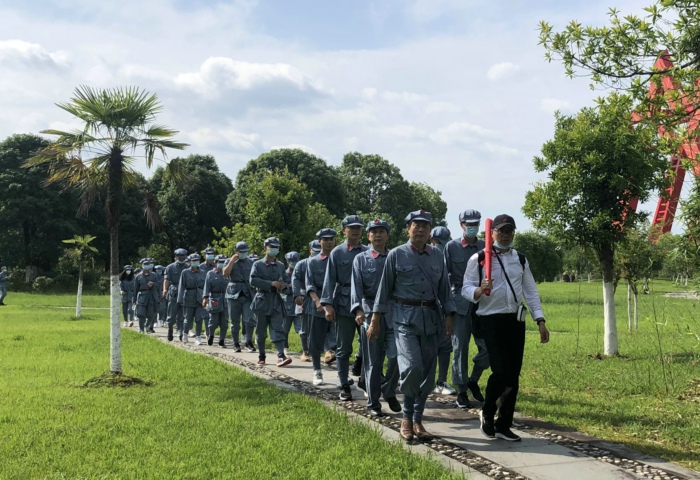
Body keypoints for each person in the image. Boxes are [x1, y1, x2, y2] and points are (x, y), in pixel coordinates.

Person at [462, 214, 550, 442]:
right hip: (489, 320)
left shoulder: (520, 259)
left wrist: (540, 320)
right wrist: (479, 290)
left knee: (513, 375)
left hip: (515, 320)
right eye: (501, 231)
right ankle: (488, 412)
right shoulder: (479, 258)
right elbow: (466, 289)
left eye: (510, 231)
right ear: (491, 233)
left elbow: (530, 291)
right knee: (500, 370)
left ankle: (504, 424)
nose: (506, 235)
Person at [373, 210, 455, 442]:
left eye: (425, 225)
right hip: (403, 318)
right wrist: (375, 319)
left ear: (430, 231)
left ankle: (418, 420)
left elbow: (444, 289)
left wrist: (449, 315)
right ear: (408, 228)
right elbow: (384, 289)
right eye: (416, 225)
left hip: (431, 319)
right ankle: (407, 417)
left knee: (428, 374)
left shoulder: (437, 255)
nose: (420, 229)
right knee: (411, 368)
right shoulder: (397, 255)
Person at [351, 219, 401, 417]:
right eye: (374, 231)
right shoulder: (361, 259)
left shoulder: (395, 257)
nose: (378, 235)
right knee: (373, 361)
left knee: (398, 356)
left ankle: (388, 390)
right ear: (368, 236)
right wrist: (358, 311)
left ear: (388, 235)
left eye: (382, 231)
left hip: (393, 313)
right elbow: (356, 288)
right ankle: (373, 404)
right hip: (370, 312)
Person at [321, 215, 368, 401]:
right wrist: (327, 305)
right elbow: (329, 280)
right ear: (344, 230)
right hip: (344, 304)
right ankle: (344, 384)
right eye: (351, 227)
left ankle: (366, 379)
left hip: (365, 304)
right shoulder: (337, 253)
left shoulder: (368, 251)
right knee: (343, 347)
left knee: (368, 345)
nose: (355, 230)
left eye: (358, 227)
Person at [445, 209, 489, 409]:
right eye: (469, 224)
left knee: (488, 348)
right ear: (461, 224)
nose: (472, 227)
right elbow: (444, 279)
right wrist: (446, 308)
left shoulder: (484, 246)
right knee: (459, 348)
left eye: (476, 224)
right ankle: (462, 390)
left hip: (482, 303)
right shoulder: (451, 247)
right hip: (459, 303)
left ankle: (473, 378)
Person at [249, 237, 292, 367]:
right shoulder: (258, 264)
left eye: (277, 247)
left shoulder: (280, 266)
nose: (274, 249)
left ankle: (280, 356)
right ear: (265, 248)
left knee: (278, 328)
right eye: (271, 247)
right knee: (261, 331)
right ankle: (262, 355)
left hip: (276, 301)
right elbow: (253, 280)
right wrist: (270, 283)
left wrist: (284, 286)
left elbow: (286, 281)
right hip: (261, 300)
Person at [305, 228, 338, 385]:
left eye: (331, 239)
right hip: (318, 306)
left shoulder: (339, 258)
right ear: (320, 242)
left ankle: (342, 375)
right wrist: (318, 302)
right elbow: (309, 285)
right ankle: (317, 371)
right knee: (316, 341)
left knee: (340, 340)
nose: (329, 242)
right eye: (325, 239)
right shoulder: (313, 261)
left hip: (339, 304)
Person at [429, 226, 457, 397]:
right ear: (432, 240)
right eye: (438, 242)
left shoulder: (447, 256)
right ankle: (426, 380)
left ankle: (441, 381)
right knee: (428, 345)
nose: (441, 245)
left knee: (446, 345)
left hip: (446, 305)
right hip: (427, 307)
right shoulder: (424, 257)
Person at [223, 241, 255, 353]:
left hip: (247, 293)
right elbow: (225, 274)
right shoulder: (229, 261)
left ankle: (248, 341)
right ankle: (235, 343)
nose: (243, 254)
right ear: (236, 252)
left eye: (245, 252)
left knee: (249, 319)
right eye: (241, 252)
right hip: (233, 292)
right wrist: (232, 261)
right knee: (234, 321)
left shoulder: (251, 262)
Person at [292, 241, 319, 362]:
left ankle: (328, 350)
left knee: (329, 325)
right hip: (305, 297)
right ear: (310, 250)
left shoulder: (328, 261)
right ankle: (305, 351)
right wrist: (296, 295)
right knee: (305, 326)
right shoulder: (302, 264)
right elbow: (295, 280)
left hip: (323, 296)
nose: (317, 252)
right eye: (315, 250)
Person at [177, 253, 207, 344]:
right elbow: (181, 286)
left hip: (199, 298)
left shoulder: (203, 272)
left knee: (199, 318)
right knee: (188, 318)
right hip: (189, 297)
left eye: (197, 260)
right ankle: (185, 334)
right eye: (193, 261)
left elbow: (205, 286)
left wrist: (206, 297)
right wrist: (180, 299)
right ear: (189, 262)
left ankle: (198, 336)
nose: (195, 262)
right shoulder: (185, 272)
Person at [203, 254, 229, 347]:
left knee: (224, 322)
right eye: (220, 262)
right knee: (213, 321)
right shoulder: (210, 273)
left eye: (223, 262)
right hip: (214, 298)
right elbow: (206, 287)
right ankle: (211, 335)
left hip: (226, 299)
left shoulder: (228, 274)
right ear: (216, 263)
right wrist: (205, 298)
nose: (222, 264)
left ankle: (222, 340)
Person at [164, 248, 188, 342]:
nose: (182, 260)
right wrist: (165, 289)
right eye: (180, 258)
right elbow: (166, 280)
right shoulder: (170, 267)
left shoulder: (188, 267)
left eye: (183, 258)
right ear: (176, 257)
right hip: (173, 292)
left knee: (182, 315)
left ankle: (181, 332)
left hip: (185, 293)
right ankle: (170, 330)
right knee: (171, 315)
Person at [281, 251, 301, 356]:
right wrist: (291, 286)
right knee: (285, 328)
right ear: (287, 262)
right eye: (291, 261)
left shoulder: (302, 271)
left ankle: (305, 350)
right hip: (286, 304)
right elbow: (283, 289)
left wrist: (290, 285)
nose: (293, 263)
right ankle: (285, 347)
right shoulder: (283, 274)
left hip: (300, 304)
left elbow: (304, 287)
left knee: (302, 329)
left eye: (295, 261)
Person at [133, 258, 160, 333]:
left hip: (151, 296)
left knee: (151, 314)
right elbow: (135, 289)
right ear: (142, 265)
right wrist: (134, 299)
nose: (146, 266)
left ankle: (147, 325)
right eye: (144, 264)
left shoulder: (154, 275)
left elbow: (158, 285)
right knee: (140, 314)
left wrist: (153, 284)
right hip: (142, 296)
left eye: (148, 264)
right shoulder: (138, 276)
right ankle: (141, 330)